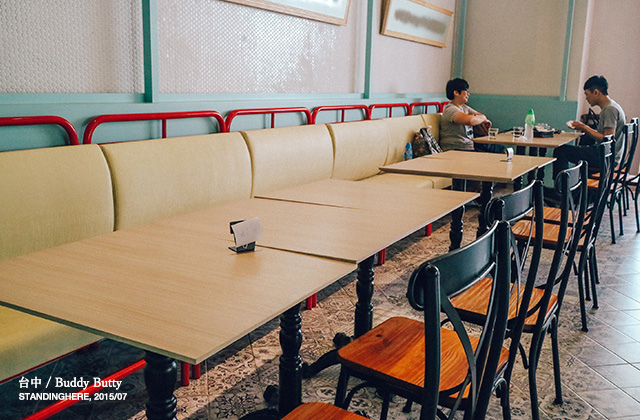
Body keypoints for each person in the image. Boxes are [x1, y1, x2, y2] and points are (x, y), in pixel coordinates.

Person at [553, 75, 626, 176]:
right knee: (581, 144)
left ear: (596, 92)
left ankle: (563, 185)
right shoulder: (611, 106)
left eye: (587, 94)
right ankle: (570, 183)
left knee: (561, 151)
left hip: (607, 157)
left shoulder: (610, 110)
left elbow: (607, 138)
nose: (586, 98)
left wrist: (584, 127)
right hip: (608, 154)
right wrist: (583, 127)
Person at [439, 78, 504, 153]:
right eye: (466, 91)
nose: (468, 94)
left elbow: (482, 116)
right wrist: (480, 118)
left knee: (499, 148)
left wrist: (482, 119)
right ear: (456, 93)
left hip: (468, 146)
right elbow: (470, 121)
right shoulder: (450, 109)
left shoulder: (464, 107)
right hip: (455, 148)